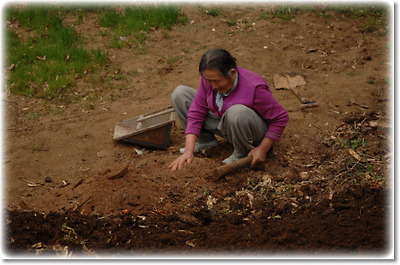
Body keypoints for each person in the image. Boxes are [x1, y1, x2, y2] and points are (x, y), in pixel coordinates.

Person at [169, 48, 289, 171]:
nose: (213, 86)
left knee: (236, 111)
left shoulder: (254, 88)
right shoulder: (209, 80)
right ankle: (205, 141)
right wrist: (188, 151)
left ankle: (241, 153)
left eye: (217, 81)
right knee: (180, 94)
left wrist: (262, 149)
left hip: (252, 131)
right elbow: (196, 111)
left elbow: (280, 117)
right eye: (209, 81)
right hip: (227, 124)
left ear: (232, 73)